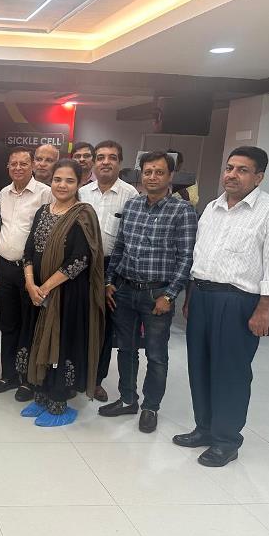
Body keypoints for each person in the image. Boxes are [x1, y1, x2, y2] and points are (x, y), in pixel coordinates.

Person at [175, 146, 269, 467]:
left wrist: (264, 309)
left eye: (242, 170)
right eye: (230, 168)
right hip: (202, 296)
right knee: (200, 366)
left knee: (230, 372)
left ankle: (226, 440)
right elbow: (200, 257)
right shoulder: (212, 208)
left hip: (239, 301)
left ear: (259, 177)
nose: (232, 174)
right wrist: (190, 298)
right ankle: (204, 428)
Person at [100, 150, 197, 433]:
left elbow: (186, 257)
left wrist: (170, 295)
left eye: (159, 172)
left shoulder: (182, 211)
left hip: (157, 295)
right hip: (125, 290)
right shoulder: (132, 205)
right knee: (126, 349)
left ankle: (150, 407)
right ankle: (127, 399)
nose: (152, 177)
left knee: (156, 355)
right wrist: (109, 281)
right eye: (148, 172)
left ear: (170, 176)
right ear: (141, 175)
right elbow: (120, 247)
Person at [22, 159, 104, 426]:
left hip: (66, 295)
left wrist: (45, 288)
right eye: (57, 179)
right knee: (37, 340)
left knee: (60, 345)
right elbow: (29, 250)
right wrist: (30, 284)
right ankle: (41, 397)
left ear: (79, 183)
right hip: (37, 293)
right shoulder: (42, 211)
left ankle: (59, 404)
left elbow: (79, 260)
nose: (62, 185)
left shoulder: (83, 215)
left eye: (69, 180)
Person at [0, 147, 51, 401]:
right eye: (13, 164)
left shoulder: (45, 193)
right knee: (9, 323)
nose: (18, 168)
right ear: (8, 167)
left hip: (30, 270)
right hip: (4, 266)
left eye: (23, 163)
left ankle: (28, 380)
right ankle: (8, 375)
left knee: (29, 325)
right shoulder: (3, 193)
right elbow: (1, 230)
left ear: (32, 165)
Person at [78, 140, 138, 402]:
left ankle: (97, 379)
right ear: (93, 162)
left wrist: (112, 278)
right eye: (100, 157)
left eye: (111, 157)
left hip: (112, 268)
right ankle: (77, 374)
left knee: (104, 327)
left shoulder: (131, 195)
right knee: (80, 323)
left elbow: (131, 240)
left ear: (119, 162)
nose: (105, 162)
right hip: (81, 266)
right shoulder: (82, 193)